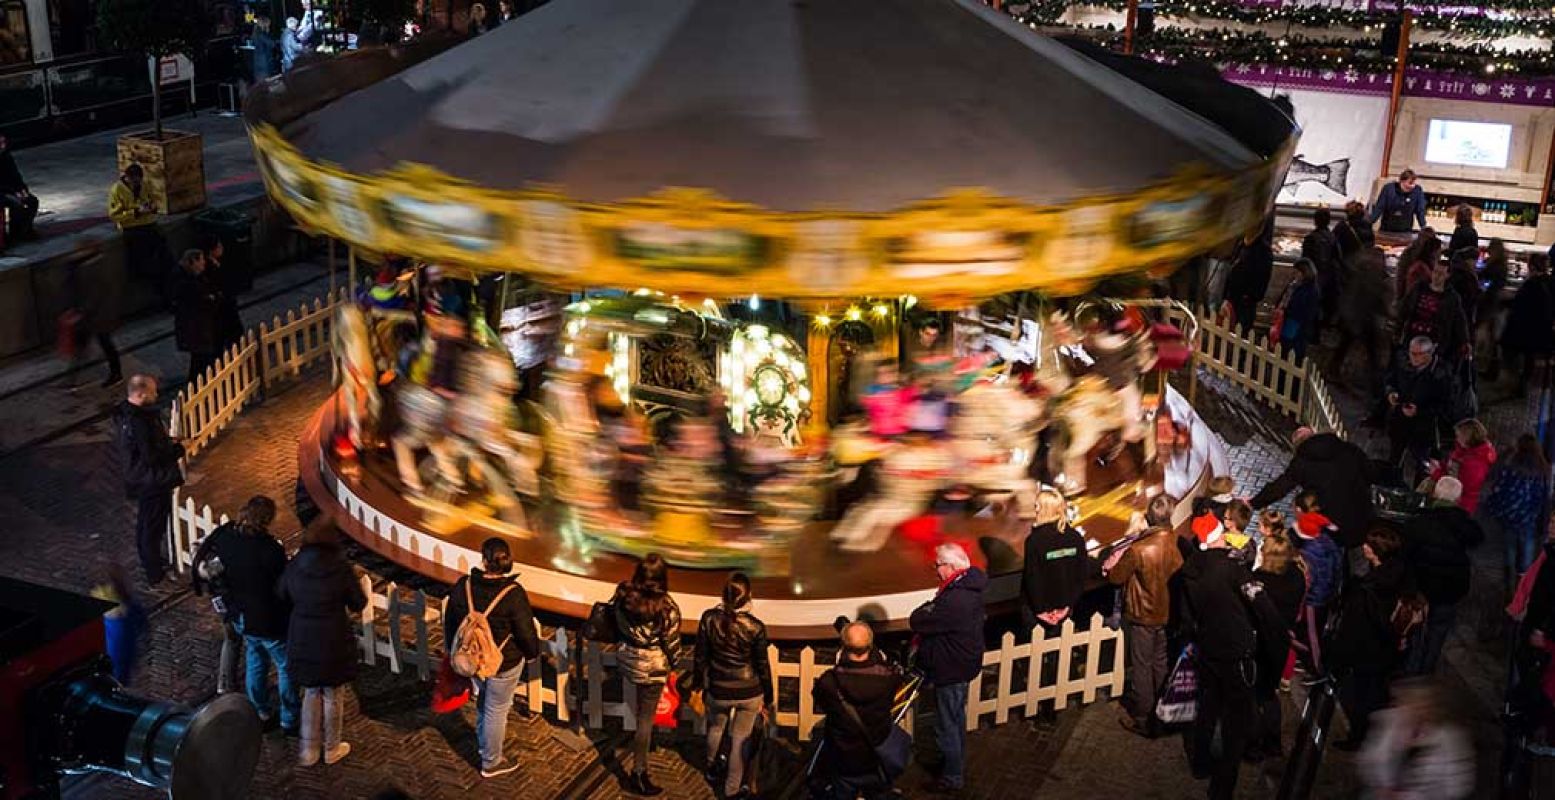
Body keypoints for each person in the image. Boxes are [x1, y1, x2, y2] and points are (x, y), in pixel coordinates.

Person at [1179, 510, 1271, 798]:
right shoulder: (1230, 569)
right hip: (1234, 651)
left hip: (1209, 647)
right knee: (1234, 720)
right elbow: (1256, 606)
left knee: (1207, 708)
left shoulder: (1191, 569)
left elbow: (1187, 615)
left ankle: (1201, 763)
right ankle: (1223, 785)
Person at [190, 496, 296, 732]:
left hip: (240, 614)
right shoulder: (270, 550)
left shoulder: (227, 537)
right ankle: (289, 717)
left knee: (255, 659)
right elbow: (281, 584)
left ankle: (260, 710)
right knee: (285, 666)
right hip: (268, 618)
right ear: (267, 520)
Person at [443, 538, 540, 779]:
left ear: (484, 559)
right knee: (497, 709)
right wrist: (531, 654)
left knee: (485, 701)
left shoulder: (463, 586)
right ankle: (491, 761)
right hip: (503, 662)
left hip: (473, 659)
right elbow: (525, 632)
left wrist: (451, 650)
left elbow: (451, 622)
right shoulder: (513, 594)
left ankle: (484, 743)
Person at [279, 521, 367, 767]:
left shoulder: (295, 565)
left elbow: (281, 594)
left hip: (304, 636)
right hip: (333, 638)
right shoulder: (340, 568)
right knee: (332, 694)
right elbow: (358, 602)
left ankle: (308, 749)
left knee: (310, 691)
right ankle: (331, 747)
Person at [1103, 493, 1182, 738]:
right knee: (1160, 663)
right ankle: (1162, 711)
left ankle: (1143, 717)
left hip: (1143, 614)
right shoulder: (1176, 542)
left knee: (1141, 666)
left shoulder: (1139, 549)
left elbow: (1116, 577)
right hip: (1166, 612)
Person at [909, 543, 986, 794]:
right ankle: (956, 763)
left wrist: (926, 609)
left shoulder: (955, 599)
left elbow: (919, 619)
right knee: (955, 718)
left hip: (951, 669)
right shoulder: (967, 587)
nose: (936, 570)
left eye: (938, 565)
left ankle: (952, 776)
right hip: (962, 665)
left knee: (946, 726)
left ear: (952, 566)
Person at [1330, 528, 1413, 749]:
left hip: (1366, 651)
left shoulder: (1367, 590)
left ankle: (1360, 737)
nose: (1364, 546)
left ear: (1375, 552)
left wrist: (1338, 658)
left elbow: (1352, 629)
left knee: (1355, 696)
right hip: (1388, 648)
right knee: (1376, 692)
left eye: (1368, 545)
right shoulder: (1398, 573)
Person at [692, 573, 772, 800]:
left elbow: (700, 656)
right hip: (749, 689)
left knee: (716, 728)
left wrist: (699, 683)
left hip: (719, 687)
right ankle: (732, 789)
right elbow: (762, 665)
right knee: (740, 739)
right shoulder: (755, 626)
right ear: (748, 597)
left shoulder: (709, 619)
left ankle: (712, 767)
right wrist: (769, 695)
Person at [612, 553, 682, 796]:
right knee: (645, 718)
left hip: (629, 659)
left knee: (640, 709)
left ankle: (644, 745)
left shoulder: (623, 597)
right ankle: (638, 772)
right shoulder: (666, 608)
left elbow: (617, 625)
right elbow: (671, 642)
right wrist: (676, 664)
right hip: (652, 666)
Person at [811, 621, 905, 800]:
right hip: (877, 753)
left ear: (843, 646)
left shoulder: (829, 682)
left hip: (843, 756)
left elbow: (820, 702)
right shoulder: (888, 678)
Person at [1402, 477, 1483, 676]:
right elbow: (1477, 538)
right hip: (1451, 587)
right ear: (1458, 499)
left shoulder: (1418, 522)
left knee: (1415, 627)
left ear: (1435, 495)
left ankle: (1410, 668)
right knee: (1439, 629)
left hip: (1421, 585)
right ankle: (1427, 670)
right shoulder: (1465, 524)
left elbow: (1405, 554)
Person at [1251, 425, 1375, 553]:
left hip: (1334, 525)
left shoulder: (1302, 462)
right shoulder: (1349, 449)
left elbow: (1280, 487)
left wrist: (1254, 503)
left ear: (1298, 447)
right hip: (1363, 516)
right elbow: (1371, 472)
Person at [113, 375, 184, 585]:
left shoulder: (126, 415)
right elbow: (151, 456)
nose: (156, 395)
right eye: (153, 392)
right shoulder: (140, 421)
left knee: (146, 523)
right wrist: (177, 450)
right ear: (140, 393)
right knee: (151, 526)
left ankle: (151, 562)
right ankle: (154, 571)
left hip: (141, 478)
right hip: (151, 481)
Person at [1356, 679, 1475, 800]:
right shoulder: (1389, 720)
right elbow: (1366, 758)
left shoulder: (1452, 739)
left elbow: (1458, 787)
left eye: (1422, 704)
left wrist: (1407, 796)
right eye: (1407, 701)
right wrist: (1380, 786)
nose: (1412, 708)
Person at [1251, 531, 1305, 761]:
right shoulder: (1297, 577)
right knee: (1270, 694)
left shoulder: (1261, 581)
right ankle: (1273, 743)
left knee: (1254, 695)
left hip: (1260, 642)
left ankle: (1253, 744)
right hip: (1281, 643)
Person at [1481, 433, 1551, 589]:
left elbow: (1499, 490)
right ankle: (1522, 582)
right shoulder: (1542, 470)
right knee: (1526, 551)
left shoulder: (1510, 467)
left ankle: (1509, 582)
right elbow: (1545, 498)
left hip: (1510, 519)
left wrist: (1492, 508)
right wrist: (1544, 522)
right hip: (1529, 521)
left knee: (1509, 549)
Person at [1020, 488, 1089, 637]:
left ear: (1045, 509)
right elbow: (1081, 575)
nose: (1035, 509)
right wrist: (1067, 606)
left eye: (1037, 505)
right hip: (1065, 609)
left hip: (1036, 612)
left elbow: (1032, 578)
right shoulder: (1075, 538)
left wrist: (1041, 611)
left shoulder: (1034, 541)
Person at [1290, 498, 1343, 672]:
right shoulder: (1328, 542)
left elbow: (1307, 582)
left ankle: (1316, 668)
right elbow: (1337, 567)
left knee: (1312, 635)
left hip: (1314, 600)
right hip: (1328, 594)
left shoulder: (1307, 554)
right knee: (1318, 629)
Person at [1384, 337, 1452, 470]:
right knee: (1394, 457)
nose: (1412, 357)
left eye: (1417, 354)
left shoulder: (1441, 374)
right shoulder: (1403, 361)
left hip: (1423, 427)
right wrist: (1391, 392)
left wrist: (1419, 411)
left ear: (1428, 354)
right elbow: (1390, 379)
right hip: (1399, 420)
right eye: (1411, 353)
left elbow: (1445, 405)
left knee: (1423, 465)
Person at [61, 252, 124, 390]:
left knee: (101, 345)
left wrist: (80, 312)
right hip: (93, 317)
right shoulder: (91, 267)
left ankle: (115, 374)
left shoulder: (91, 269)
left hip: (95, 317)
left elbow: (93, 296)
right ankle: (71, 379)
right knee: (93, 346)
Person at [1329, 246, 1389, 389]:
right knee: (1367, 350)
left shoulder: (1361, 274)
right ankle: (1373, 382)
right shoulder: (1368, 277)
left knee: (1347, 347)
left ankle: (1336, 370)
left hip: (1360, 320)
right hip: (1360, 320)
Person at [109, 164, 172, 297]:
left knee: (164, 254)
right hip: (132, 228)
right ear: (127, 178)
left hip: (148, 223)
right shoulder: (117, 190)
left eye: (139, 181)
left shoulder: (144, 185)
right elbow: (114, 215)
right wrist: (135, 212)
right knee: (145, 260)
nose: (136, 184)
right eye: (134, 181)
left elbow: (154, 200)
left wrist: (153, 207)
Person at [1501, 253, 1555, 395]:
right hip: (1542, 329)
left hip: (1524, 328)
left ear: (1531, 266)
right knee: (1529, 358)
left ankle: (1516, 384)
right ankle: (1524, 384)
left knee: (1513, 354)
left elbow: (1520, 305)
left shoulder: (1531, 284)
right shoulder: (1551, 282)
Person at [1397, 256, 1469, 362]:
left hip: (1434, 341)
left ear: (1447, 276)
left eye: (1441, 274)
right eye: (1435, 272)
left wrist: (1464, 341)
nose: (1436, 276)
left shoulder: (1451, 297)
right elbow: (1405, 308)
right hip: (1412, 336)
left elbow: (1459, 320)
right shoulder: (1419, 288)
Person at [172, 249, 223, 382]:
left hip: (198, 327)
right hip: (197, 327)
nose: (204, 265)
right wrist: (212, 298)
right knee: (202, 359)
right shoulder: (187, 282)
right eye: (201, 261)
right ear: (193, 262)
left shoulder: (187, 278)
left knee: (199, 359)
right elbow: (205, 300)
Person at [1428, 419, 1496, 514]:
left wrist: (1436, 473)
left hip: (1462, 505)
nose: (1457, 439)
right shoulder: (1464, 451)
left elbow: (1456, 487)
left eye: (1459, 436)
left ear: (1467, 438)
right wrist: (1441, 466)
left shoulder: (1476, 464)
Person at [1223, 221, 1274, 336]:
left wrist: (1251, 295)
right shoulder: (1241, 245)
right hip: (1233, 296)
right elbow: (1232, 268)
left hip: (1246, 300)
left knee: (1242, 330)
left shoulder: (1263, 251)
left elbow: (1263, 276)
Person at [202, 233, 245, 355]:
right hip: (223, 309)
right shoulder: (210, 269)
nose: (222, 248)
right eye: (219, 246)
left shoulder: (216, 264)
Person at [1302, 209, 1340, 335]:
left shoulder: (1310, 238)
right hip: (1328, 278)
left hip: (1314, 277)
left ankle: (1312, 332)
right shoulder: (1333, 238)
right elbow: (1338, 257)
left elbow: (1304, 261)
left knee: (1312, 307)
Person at [1277, 258, 1321, 362]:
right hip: (1288, 323)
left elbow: (1307, 313)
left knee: (1292, 355)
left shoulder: (1310, 290)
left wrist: (1288, 311)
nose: (1294, 274)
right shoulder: (1295, 285)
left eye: (1297, 272)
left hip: (1297, 328)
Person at [1478, 239, 1510, 378]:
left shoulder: (1495, 265)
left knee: (1489, 338)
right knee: (1493, 339)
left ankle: (1489, 368)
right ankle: (1492, 368)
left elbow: (1482, 276)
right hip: (1496, 304)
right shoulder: (1502, 265)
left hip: (1490, 304)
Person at [0, 134, 39, 242]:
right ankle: (14, 233)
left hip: (11, 190)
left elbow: (16, 176)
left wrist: (22, 189)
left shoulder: (6, 157)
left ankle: (26, 230)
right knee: (16, 203)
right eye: (0, 144)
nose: (3, 146)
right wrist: (12, 192)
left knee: (32, 201)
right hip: (2, 192)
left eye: (4, 143)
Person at [1370, 168, 1428, 234]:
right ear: (1402, 181)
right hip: (1387, 229)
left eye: (1414, 183)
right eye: (1410, 183)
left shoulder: (1417, 191)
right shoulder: (1389, 189)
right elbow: (1379, 208)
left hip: (1405, 230)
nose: (1413, 186)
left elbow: (1420, 210)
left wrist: (1423, 227)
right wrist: (1369, 223)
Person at [1394, 230, 1440, 304]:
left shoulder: (1434, 251)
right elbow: (1400, 276)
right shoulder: (1410, 253)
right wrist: (1399, 298)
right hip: (1413, 297)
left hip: (1424, 298)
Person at [250, 17, 280, 82]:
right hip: (265, 62)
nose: (269, 26)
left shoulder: (255, 33)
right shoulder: (262, 34)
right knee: (266, 83)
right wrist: (277, 41)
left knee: (261, 82)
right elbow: (272, 44)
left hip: (258, 60)